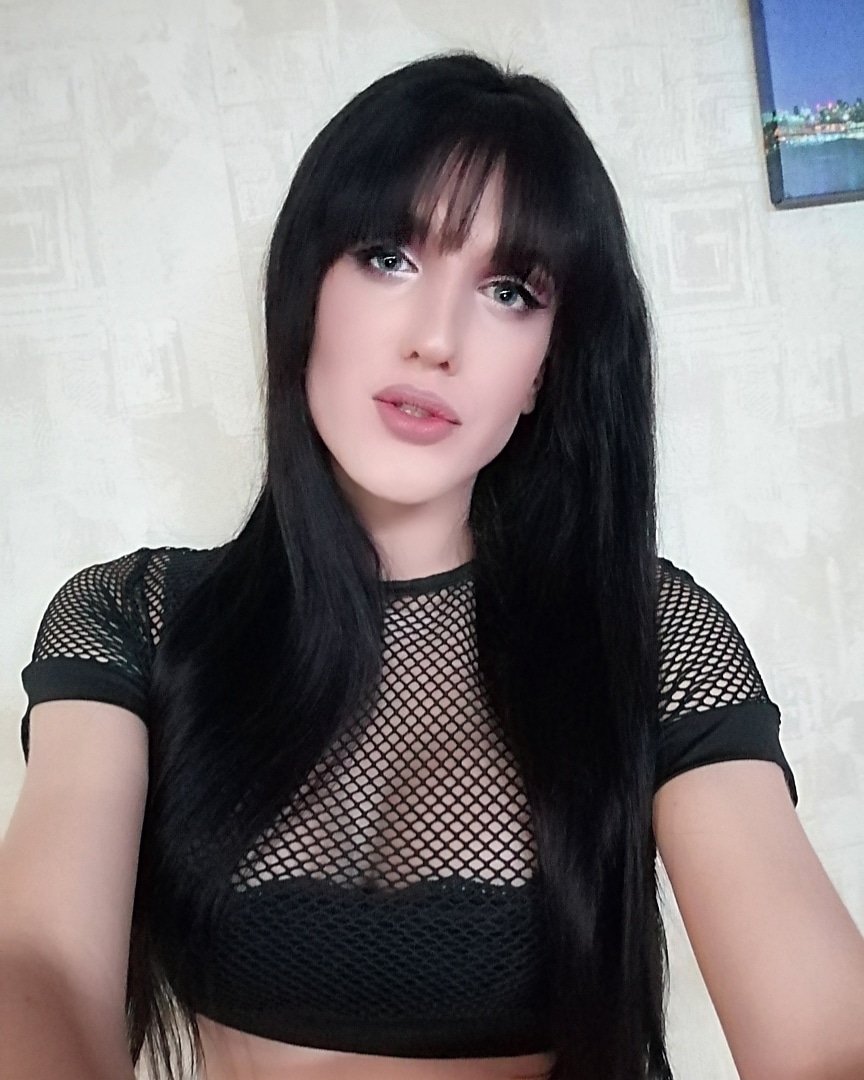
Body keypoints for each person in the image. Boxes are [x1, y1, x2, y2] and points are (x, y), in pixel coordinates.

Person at [2, 51, 863, 1080]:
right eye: (388, 256)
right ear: (305, 289)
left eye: (508, 290)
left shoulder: (643, 631)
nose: (436, 340)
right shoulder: (137, 621)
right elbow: (40, 963)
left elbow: (825, 1033)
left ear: (545, 370)